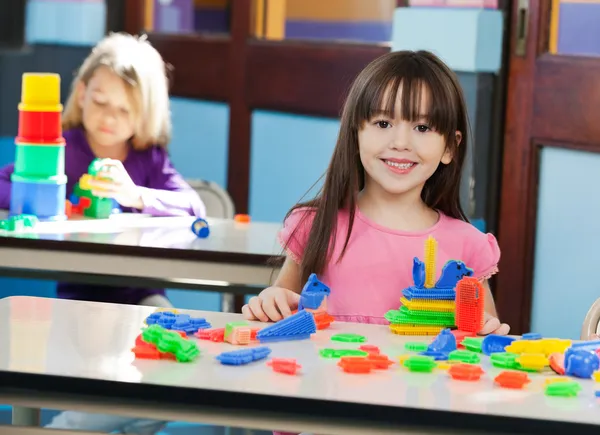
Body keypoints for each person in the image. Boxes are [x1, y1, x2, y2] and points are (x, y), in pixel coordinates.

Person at [0, 32, 206, 433]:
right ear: (81, 94)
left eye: (125, 111)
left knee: (170, 376)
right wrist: (46, 196)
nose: (109, 118)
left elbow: (193, 207)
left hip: (141, 293)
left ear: (144, 115)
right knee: (101, 380)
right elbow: (4, 183)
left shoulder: (149, 159)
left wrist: (137, 195)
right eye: (100, 102)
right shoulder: (62, 147)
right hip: (82, 296)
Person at [242, 50, 510, 336]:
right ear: (355, 133)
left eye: (422, 127)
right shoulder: (315, 225)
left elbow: (482, 344)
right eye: (383, 124)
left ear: (449, 147)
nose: (400, 142)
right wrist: (271, 301)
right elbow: (279, 308)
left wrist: (486, 331)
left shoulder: (467, 246)